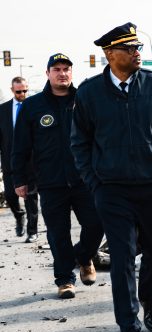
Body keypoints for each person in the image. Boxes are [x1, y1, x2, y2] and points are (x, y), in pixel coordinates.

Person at [71, 23, 152, 332]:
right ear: (110, 54)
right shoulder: (90, 92)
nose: (137, 53)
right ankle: (129, 329)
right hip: (112, 190)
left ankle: (149, 300)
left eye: (138, 48)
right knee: (123, 257)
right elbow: (79, 142)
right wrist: (94, 182)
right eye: (129, 48)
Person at [12, 53, 104, 299]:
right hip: (51, 182)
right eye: (57, 69)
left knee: (97, 223)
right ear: (48, 74)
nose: (62, 73)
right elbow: (20, 145)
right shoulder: (33, 106)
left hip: (86, 179)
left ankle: (83, 256)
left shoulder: (84, 100)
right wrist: (18, 179)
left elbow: (101, 138)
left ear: (71, 73)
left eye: (66, 69)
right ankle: (65, 279)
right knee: (57, 232)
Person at [0, 77, 39, 243]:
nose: (22, 94)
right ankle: (19, 216)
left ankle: (32, 231)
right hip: (9, 160)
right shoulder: (2, 110)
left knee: (31, 197)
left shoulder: (34, 107)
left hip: (31, 161)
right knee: (10, 195)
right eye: (18, 91)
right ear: (12, 90)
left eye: (25, 90)